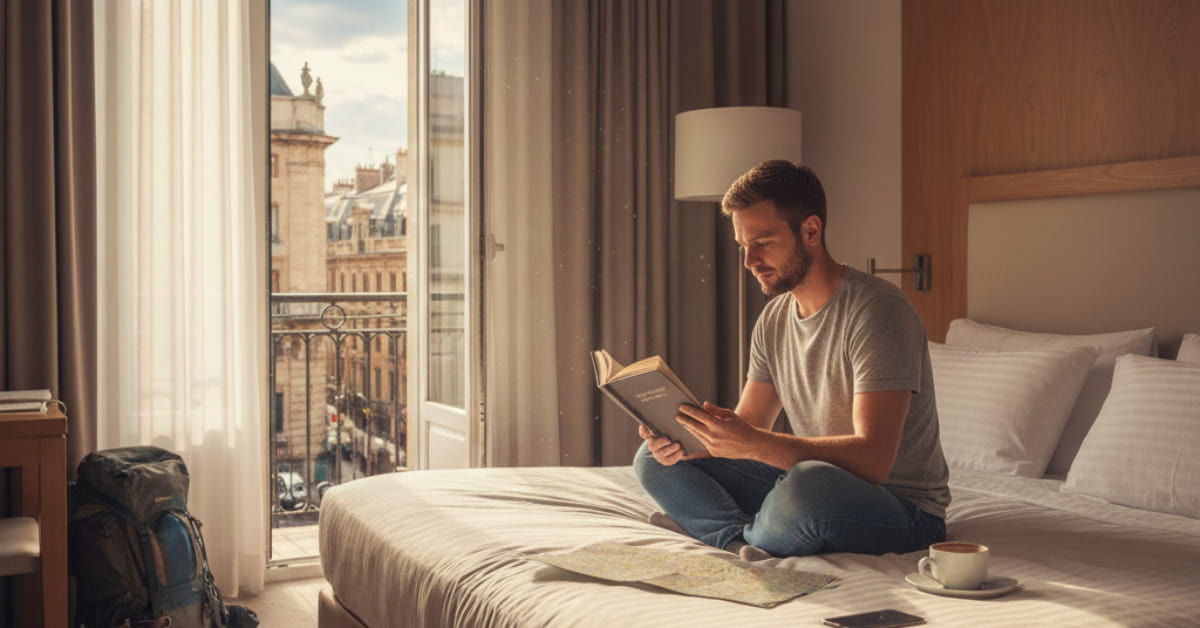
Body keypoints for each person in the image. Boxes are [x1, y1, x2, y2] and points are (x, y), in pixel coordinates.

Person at [634, 160, 949, 558]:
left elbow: (873, 461)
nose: (749, 261)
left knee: (808, 485)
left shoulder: (878, 311)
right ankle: (738, 539)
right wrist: (690, 438)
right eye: (743, 246)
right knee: (654, 458)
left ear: (811, 231)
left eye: (763, 242)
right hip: (807, 482)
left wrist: (753, 444)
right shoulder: (775, 318)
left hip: (901, 509)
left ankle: (723, 528)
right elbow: (750, 427)